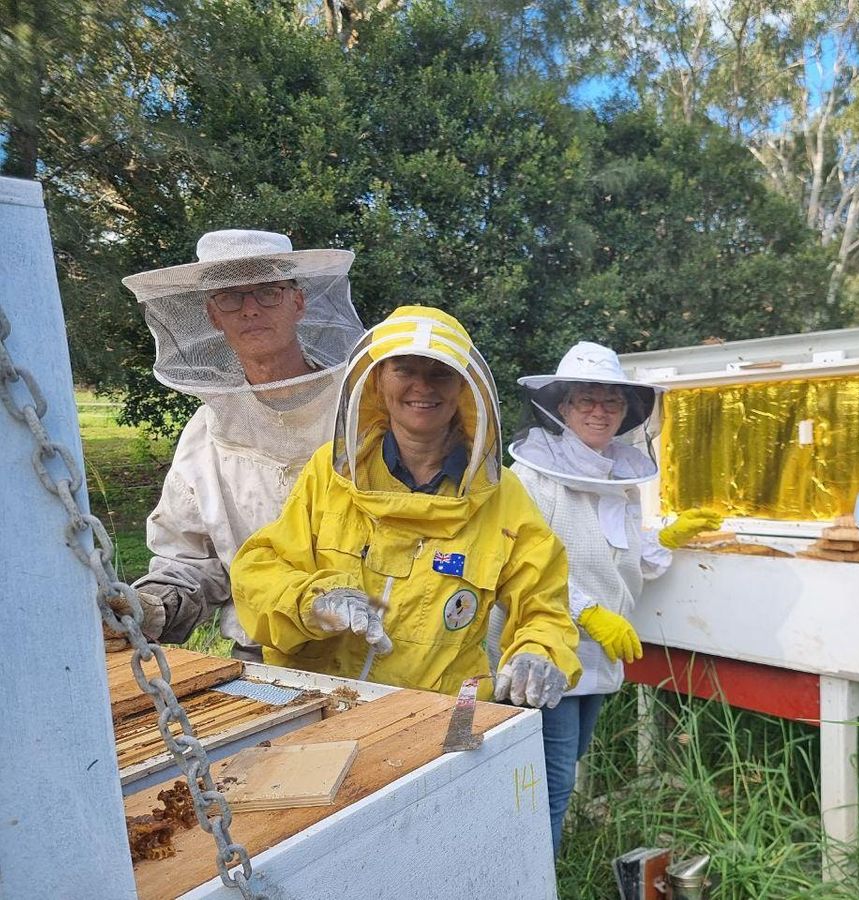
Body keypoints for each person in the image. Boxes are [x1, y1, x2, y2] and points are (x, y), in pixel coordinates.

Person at [230, 305, 581, 708]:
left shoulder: (501, 495)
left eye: (439, 372)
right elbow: (260, 569)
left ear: (464, 387)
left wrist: (539, 652)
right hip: (316, 703)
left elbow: (544, 603)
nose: (422, 386)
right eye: (405, 369)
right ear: (378, 379)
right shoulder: (330, 474)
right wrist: (312, 602)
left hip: (437, 717)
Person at [495, 341, 723, 854]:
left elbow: (618, 553)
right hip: (545, 649)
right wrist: (588, 611)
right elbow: (515, 563)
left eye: (611, 402)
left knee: (568, 761)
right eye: (586, 400)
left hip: (598, 652)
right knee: (550, 785)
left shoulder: (622, 474)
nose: (600, 411)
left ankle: (532, 866)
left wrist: (665, 538)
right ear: (562, 406)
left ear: (627, 412)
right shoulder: (531, 477)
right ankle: (533, 882)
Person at [118, 229, 364, 659]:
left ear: (298, 302)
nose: (250, 309)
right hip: (261, 654)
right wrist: (155, 605)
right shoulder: (205, 434)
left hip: (376, 648)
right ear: (213, 314)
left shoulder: (365, 406)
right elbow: (190, 559)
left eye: (267, 292)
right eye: (230, 296)